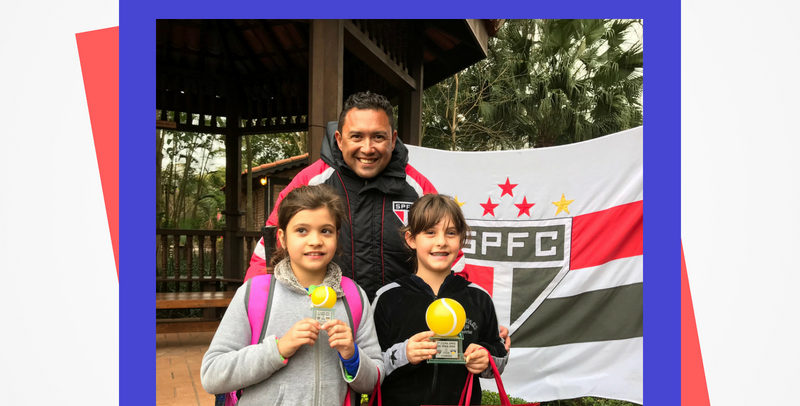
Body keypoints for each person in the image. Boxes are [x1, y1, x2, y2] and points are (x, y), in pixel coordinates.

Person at [244, 91, 461, 302]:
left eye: (378, 137)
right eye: (357, 136)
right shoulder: (311, 181)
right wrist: (254, 308)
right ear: (339, 139)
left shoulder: (418, 189)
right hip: (327, 316)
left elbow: (453, 257)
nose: (367, 149)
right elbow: (269, 253)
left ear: (393, 139)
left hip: (403, 319)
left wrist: (465, 308)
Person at [201, 185, 382, 405]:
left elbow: (373, 381)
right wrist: (277, 350)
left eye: (326, 230)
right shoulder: (255, 293)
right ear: (283, 238)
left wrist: (352, 355)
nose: (315, 241)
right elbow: (212, 375)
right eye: (302, 230)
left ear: (337, 235)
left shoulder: (354, 296)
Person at [372, 194, 508, 405]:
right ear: (411, 239)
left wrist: (486, 359)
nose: (441, 242)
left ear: (461, 239)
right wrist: (403, 354)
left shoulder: (479, 297)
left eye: (451, 233)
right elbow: (370, 366)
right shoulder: (387, 297)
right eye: (430, 232)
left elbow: (499, 357)